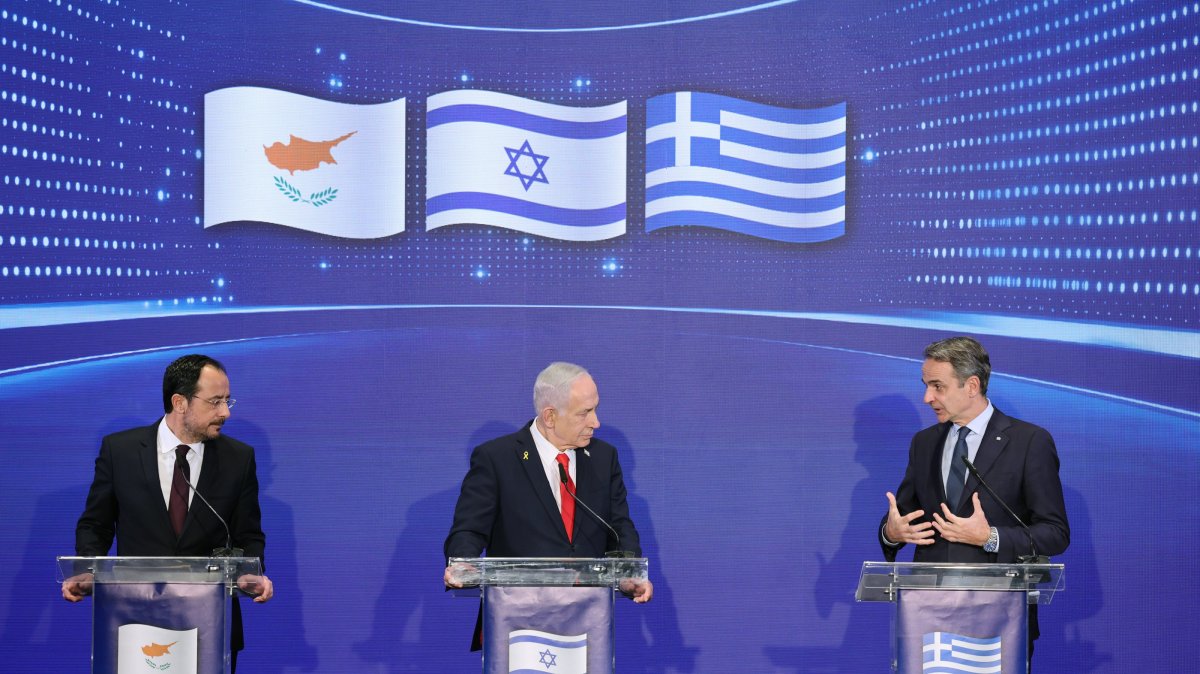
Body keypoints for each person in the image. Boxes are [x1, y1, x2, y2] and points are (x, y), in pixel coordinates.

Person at [62, 354, 273, 671]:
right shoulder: (120, 451)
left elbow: (248, 534)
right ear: (180, 402)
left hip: (210, 626)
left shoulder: (238, 459)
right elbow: (96, 524)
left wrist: (249, 573)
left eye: (227, 401)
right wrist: (88, 568)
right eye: (215, 402)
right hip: (134, 621)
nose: (225, 412)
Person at [880, 336, 1069, 665]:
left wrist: (990, 537)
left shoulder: (1029, 442)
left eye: (938, 386)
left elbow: (1055, 533)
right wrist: (892, 533)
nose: (927, 398)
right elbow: (905, 516)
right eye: (926, 386)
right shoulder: (924, 443)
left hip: (999, 620)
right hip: (929, 618)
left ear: (971, 385)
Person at [444, 362, 653, 645]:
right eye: (585, 413)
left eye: (595, 409)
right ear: (550, 416)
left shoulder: (604, 458)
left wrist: (628, 573)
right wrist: (463, 562)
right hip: (516, 621)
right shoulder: (497, 458)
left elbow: (619, 526)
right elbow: (469, 529)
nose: (596, 422)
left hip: (586, 620)